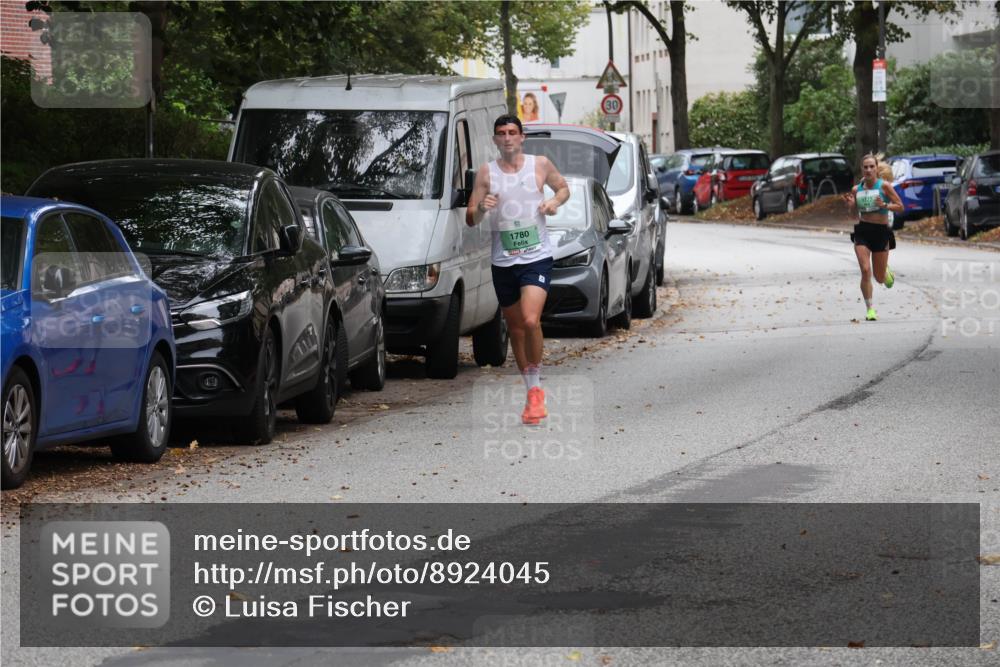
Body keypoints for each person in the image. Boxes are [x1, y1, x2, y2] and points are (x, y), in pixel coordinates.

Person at [467, 114, 570, 424]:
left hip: (536, 256)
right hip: (503, 260)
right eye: (502, 133)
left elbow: (563, 189)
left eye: (513, 132)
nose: (508, 137)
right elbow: (470, 217)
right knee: (514, 328)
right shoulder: (487, 173)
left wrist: (554, 203)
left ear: (522, 137)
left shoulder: (539, 164)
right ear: (496, 140)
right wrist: (482, 208)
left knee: (529, 319)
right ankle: (530, 391)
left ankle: (537, 389)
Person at [843, 152, 904, 321]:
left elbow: (900, 207)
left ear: (877, 169)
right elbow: (855, 216)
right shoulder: (857, 189)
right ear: (861, 170)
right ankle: (870, 309)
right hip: (863, 231)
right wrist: (851, 206)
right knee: (864, 269)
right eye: (865, 167)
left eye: (872, 167)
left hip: (880, 232)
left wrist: (884, 205)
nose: (868, 170)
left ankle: (885, 273)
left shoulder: (884, 186)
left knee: (878, 277)